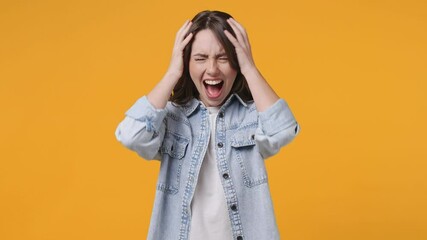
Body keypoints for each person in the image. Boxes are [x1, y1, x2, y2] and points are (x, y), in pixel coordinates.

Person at [115, 10, 300, 240]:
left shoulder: (251, 116)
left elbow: (282, 130)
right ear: (186, 63)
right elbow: (130, 135)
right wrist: (172, 72)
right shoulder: (172, 117)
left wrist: (250, 68)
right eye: (200, 58)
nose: (212, 69)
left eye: (223, 58)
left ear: (236, 63)